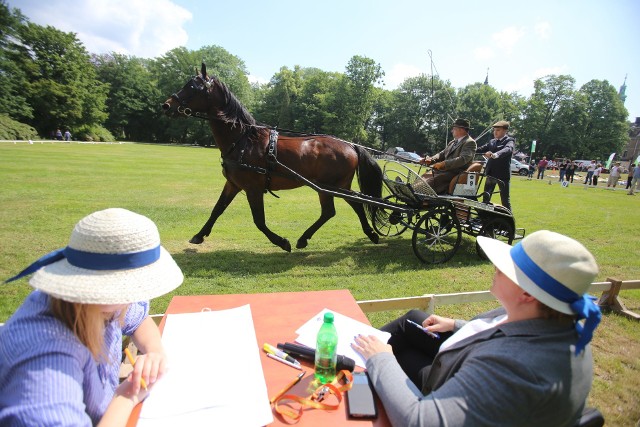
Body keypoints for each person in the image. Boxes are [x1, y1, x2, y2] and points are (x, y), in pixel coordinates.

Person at [351, 230, 600, 426]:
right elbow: (503, 328)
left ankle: (355, 357)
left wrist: (381, 358)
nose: (495, 268)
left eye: (505, 268)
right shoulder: (555, 323)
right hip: (460, 373)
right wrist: (457, 325)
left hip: (444, 398)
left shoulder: (515, 367)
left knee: (386, 359)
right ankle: (355, 350)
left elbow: (418, 422)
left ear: (526, 293)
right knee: (411, 323)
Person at [0, 208, 184, 426]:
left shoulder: (99, 302)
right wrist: (127, 396)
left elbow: (139, 318)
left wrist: (155, 352)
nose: (140, 294)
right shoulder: (47, 359)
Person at [419, 118, 476, 194]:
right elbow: (442, 154)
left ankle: (419, 196)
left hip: (455, 173)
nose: (452, 131)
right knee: (425, 176)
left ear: (461, 130)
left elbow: (463, 159)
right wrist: (430, 159)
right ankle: (412, 190)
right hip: (444, 171)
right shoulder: (452, 142)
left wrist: (444, 164)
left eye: (454, 129)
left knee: (431, 181)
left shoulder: (470, 142)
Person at [475, 120, 514, 211]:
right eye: (494, 130)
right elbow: (481, 149)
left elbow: (508, 149)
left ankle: (509, 220)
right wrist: (470, 148)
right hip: (491, 174)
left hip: (502, 175)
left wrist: (495, 154)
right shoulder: (492, 141)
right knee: (486, 197)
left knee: (505, 200)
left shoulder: (509, 141)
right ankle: (483, 217)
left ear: (505, 131)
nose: (495, 132)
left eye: (498, 130)